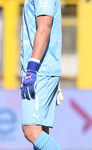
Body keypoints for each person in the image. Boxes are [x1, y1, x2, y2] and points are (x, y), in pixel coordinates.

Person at [21, 0, 63, 149]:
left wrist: (32, 68)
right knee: (40, 131)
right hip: (42, 70)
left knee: (31, 130)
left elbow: (45, 28)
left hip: (39, 71)